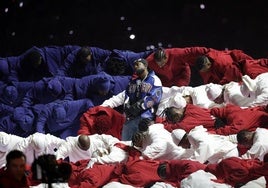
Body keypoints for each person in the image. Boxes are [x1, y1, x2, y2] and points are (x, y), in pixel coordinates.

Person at [101, 58, 163, 141]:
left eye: (138, 64)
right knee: (124, 144)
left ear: (145, 65)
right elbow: (126, 96)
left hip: (145, 118)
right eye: (134, 65)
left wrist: (137, 107)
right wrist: (127, 106)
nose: (135, 66)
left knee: (140, 146)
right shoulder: (132, 82)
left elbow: (154, 98)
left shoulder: (154, 79)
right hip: (131, 118)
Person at [55, 134, 120, 163]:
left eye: (88, 147)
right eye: (84, 148)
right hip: (78, 167)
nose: (86, 149)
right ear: (78, 144)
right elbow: (59, 153)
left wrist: (115, 146)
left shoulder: (95, 140)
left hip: (94, 164)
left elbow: (109, 139)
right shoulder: (70, 144)